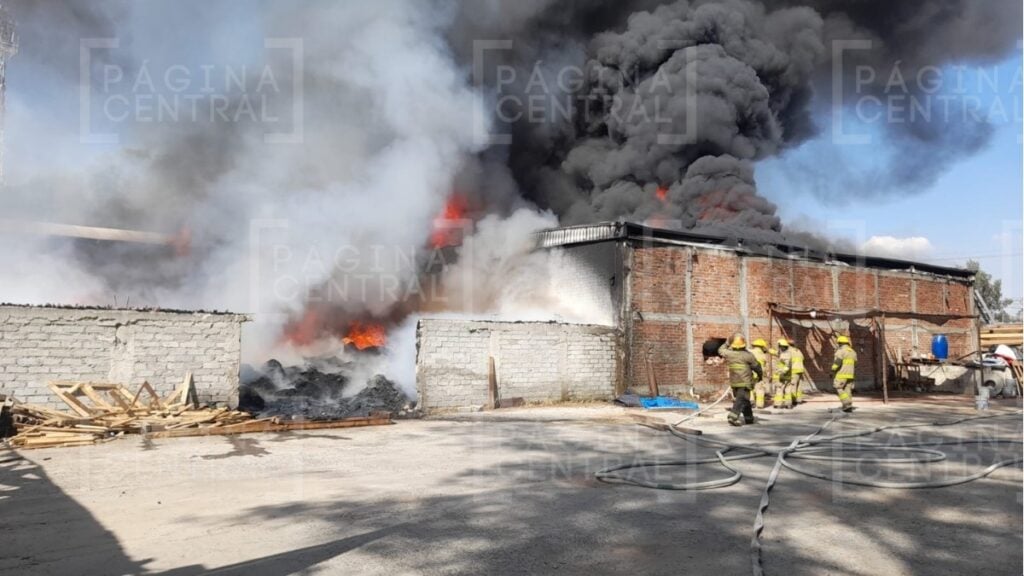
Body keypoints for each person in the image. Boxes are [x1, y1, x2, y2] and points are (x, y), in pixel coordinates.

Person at [719, 333, 762, 426]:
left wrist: (727, 342)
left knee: (744, 400)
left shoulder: (729, 354)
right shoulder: (748, 355)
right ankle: (733, 417)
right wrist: (760, 376)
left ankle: (749, 418)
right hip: (745, 382)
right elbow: (757, 367)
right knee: (741, 399)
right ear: (744, 345)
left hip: (734, 382)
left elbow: (720, 350)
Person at [831, 335, 857, 412]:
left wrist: (832, 370)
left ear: (840, 343)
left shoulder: (840, 351)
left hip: (841, 374)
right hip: (851, 374)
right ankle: (848, 406)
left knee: (838, 387)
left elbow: (837, 362)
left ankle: (846, 402)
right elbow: (855, 363)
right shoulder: (853, 352)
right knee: (847, 389)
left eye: (838, 343)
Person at [778, 339, 807, 405]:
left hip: (793, 370)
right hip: (800, 370)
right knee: (799, 386)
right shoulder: (798, 350)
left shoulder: (789, 351)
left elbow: (785, 359)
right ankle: (799, 400)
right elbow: (803, 359)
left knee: (792, 385)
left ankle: (793, 400)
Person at [750, 338, 770, 409]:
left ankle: (751, 401)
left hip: (750, 373)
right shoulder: (763, 355)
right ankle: (760, 404)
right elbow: (765, 365)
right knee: (760, 389)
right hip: (759, 374)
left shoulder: (749, 352)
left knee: (749, 388)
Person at [772, 344, 793, 409]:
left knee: (779, 389)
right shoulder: (787, 354)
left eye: (779, 347)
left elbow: (787, 366)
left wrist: (782, 372)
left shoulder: (784, 355)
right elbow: (776, 353)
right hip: (788, 376)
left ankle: (778, 404)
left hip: (782, 376)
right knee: (788, 390)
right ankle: (788, 404)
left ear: (782, 347)